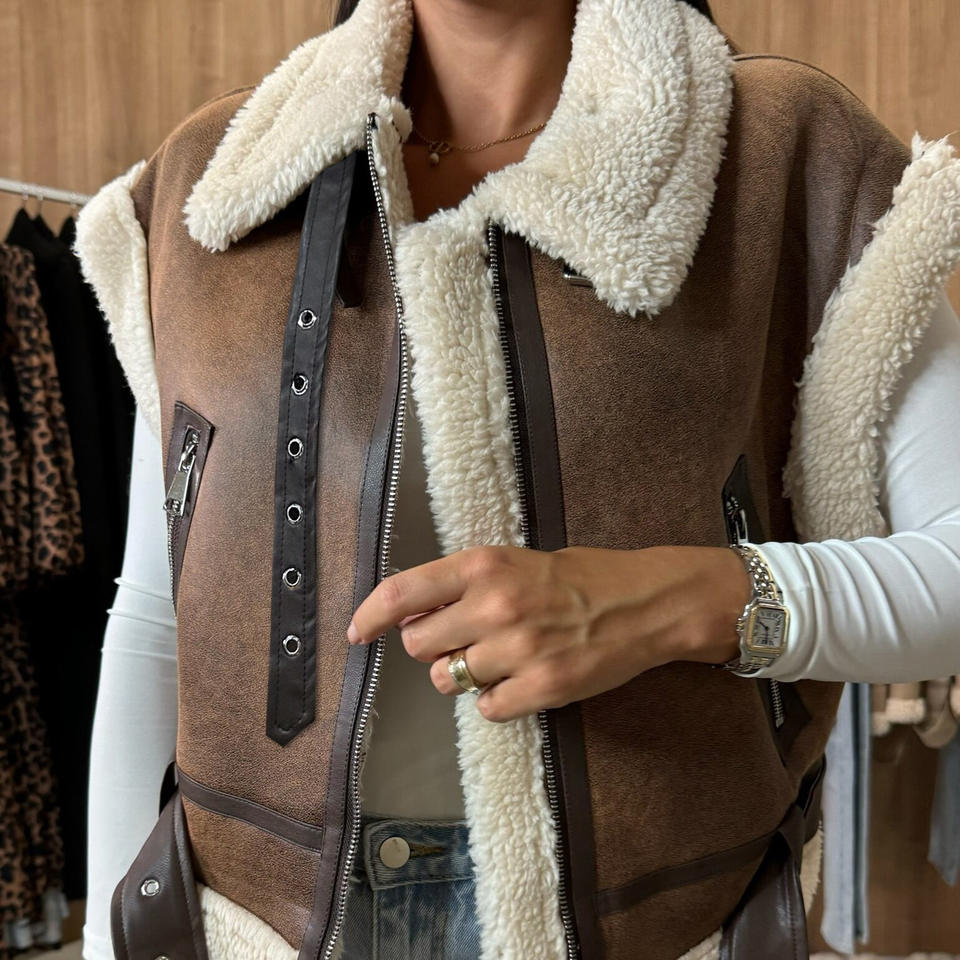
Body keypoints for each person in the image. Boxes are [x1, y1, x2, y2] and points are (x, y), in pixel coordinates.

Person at [75, 0, 960, 957]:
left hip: (664, 922)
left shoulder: (785, 152)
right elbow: (159, 616)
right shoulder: (220, 180)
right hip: (253, 925)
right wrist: (114, 936)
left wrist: (678, 600)